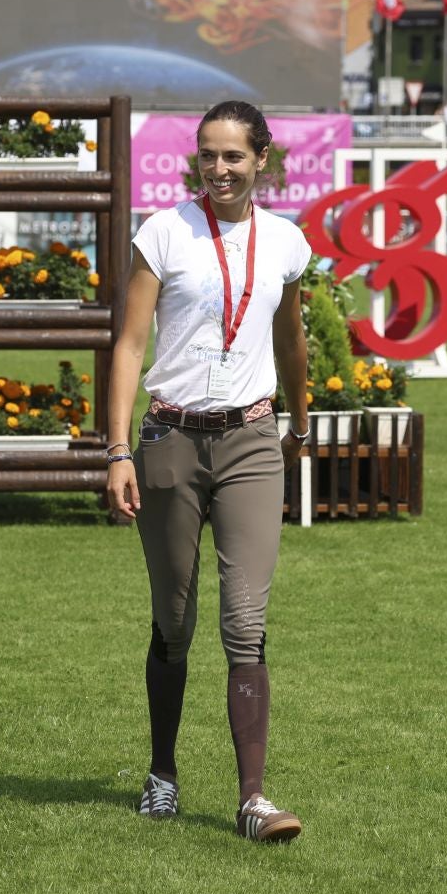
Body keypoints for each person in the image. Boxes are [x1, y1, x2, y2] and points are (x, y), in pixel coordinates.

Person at [106, 100, 313, 842]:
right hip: (170, 442)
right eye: (207, 155)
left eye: (233, 156)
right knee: (175, 618)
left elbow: (291, 339)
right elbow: (129, 345)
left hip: (253, 441)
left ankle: (253, 801)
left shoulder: (287, 243)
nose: (219, 169)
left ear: (262, 159)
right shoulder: (164, 232)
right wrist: (120, 449)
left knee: (245, 621)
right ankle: (163, 773)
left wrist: (301, 416)